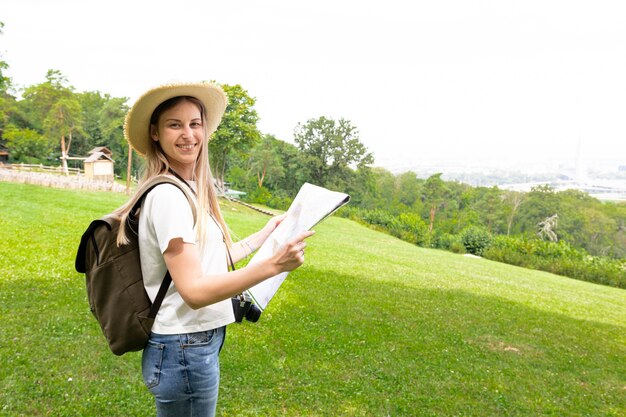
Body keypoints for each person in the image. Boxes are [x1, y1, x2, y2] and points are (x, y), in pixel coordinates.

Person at [116, 82, 313, 417]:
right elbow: (193, 290)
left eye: (195, 123)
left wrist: (264, 236)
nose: (188, 134)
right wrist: (274, 266)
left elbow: (207, 265)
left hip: (190, 345)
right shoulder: (169, 197)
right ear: (155, 133)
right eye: (174, 124)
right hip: (184, 348)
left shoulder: (185, 189)